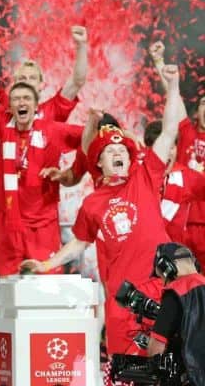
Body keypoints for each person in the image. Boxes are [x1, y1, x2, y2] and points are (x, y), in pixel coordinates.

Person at [21, 65, 185, 366]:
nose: (119, 154)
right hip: (122, 300)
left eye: (122, 149)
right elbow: (79, 243)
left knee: (165, 368)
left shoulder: (145, 176)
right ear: (99, 164)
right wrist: (47, 263)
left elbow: (170, 131)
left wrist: (172, 86)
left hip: (159, 292)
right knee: (125, 370)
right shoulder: (93, 202)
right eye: (110, 152)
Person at [0, 29, 83, 276]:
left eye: (31, 81)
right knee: (6, 289)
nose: (22, 100)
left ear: (39, 92)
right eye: (20, 82)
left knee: (46, 287)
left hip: (42, 221)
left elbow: (88, 137)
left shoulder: (52, 119)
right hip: (7, 217)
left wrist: (72, 174)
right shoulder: (5, 119)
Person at [149, 41, 205, 269]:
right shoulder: (188, 134)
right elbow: (174, 99)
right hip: (182, 224)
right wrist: (159, 62)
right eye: (204, 103)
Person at [147, 242, 205, 385]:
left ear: (167, 268)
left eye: (161, 277)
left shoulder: (176, 293)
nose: (164, 283)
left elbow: (156, 350)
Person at [143, 120, 205, 245]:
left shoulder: (185, 177)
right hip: (140, 253)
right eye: (161, 148)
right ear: (148, 150)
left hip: (171, 256)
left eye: (171, 147)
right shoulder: (135, 175)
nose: (166, 153)